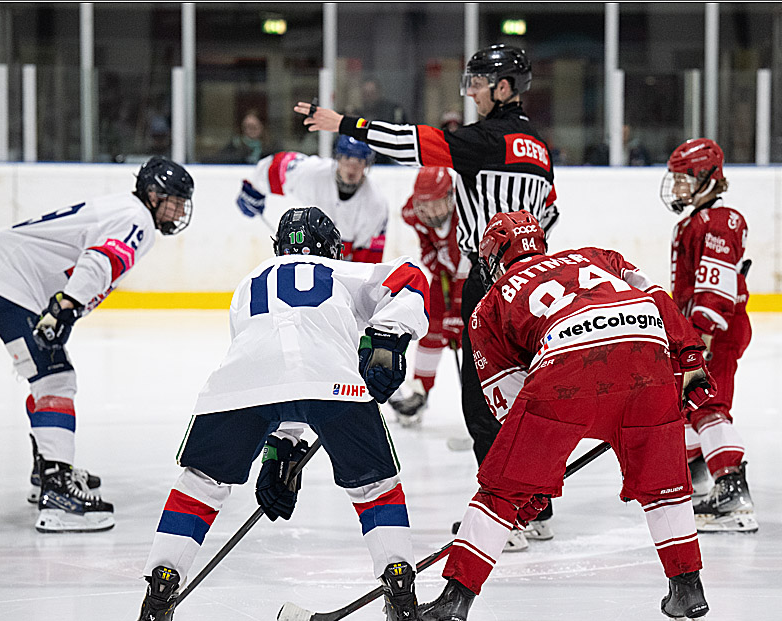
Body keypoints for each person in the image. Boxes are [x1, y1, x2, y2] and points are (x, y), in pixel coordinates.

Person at [414, 210, 717, 621]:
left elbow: (510, 405)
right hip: (648, 360)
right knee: (664, 487)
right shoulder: (599, 256)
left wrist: (526, 485)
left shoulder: (489, 305)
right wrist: (690, 357)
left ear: (495, 258)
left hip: (568, 374)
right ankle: (688, 589)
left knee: (499, 491)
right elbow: (656, 297)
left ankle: (452, 603)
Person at [294, 43, 561, 550]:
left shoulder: (485, 140)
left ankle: (508, 514)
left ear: (504, 89)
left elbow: (411, 142)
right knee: (524, 397)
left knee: (482, 401)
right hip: (537, 282)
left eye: (480, 83)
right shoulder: (541, 148)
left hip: (491, 284)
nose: (473, 92)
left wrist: (343, 124)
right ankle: (537, 506)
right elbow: (550, 213)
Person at [133, 207, 430, 621]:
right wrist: (389, 336)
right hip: (334, 382)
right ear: (330, 247)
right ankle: (399, 583)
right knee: (375, 488)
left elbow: (276, 368)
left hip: (238, 387)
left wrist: (282, 447)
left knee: (200, 484)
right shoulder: (338, 269)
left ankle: (161, 583)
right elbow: (414, 276)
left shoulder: (247, 282)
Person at [0, 157, 195, 533]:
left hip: (6, 277)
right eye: (174, 200)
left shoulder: (128, 209)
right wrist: (64, 308)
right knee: (55, 380)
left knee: (47, 377)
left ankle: (47, 469)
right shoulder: (138, 220)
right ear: (153, 195)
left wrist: (62, 309)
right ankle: (57, 491)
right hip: (9, 282)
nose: (180, 210)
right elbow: (99, 261)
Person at [660, 137, 756, 533]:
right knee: (687, 407)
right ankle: (697, 473)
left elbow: (714, 292)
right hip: (700, 331)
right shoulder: (697, 221)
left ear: (707, 177)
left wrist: (698, 342)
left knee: (706, 405)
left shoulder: (717, 221)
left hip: (713, 332)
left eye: (684, 178)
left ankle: (732, 491)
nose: (677, 187)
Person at [387, 167, 466, 427]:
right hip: (446, 275)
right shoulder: (413, 212)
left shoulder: (466, 213)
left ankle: (486, 397)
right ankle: (421, 391)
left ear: (451, 197)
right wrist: (430, 254)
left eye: (436, 205)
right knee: (430, 328)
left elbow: (468, 266)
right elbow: (427, 240)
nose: (431, 213)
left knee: (473, 337)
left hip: (475, 279)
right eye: (425, 206)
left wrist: (456, 313)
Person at [236, 134, 388, 263]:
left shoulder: (376, 204)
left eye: (359, 161)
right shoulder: (313, 173)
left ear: (367, 164)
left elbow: (367, 264)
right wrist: (253, 191)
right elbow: (277, 165)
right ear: (337, 158)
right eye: (347, 158)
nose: (352, 168)